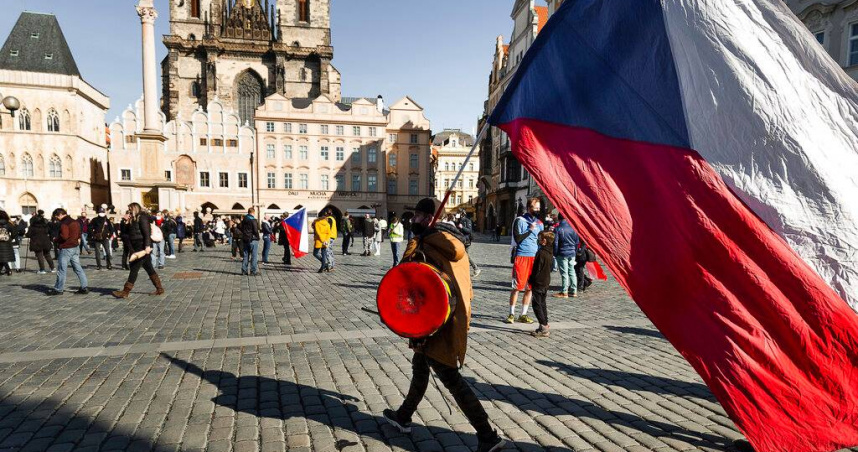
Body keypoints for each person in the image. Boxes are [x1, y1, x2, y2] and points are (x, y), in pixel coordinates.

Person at [382, 198, 505, 452]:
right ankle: (404, 415)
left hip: (436, 321)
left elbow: (406, 275)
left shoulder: (428, 242)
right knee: (420, 367)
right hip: (449, 317)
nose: (413, 220)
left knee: (451, 379)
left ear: (429, 218)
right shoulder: (453, 239)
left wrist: (415, 242)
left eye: (417, 215)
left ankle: (487, 435)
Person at [112, 203, 164, 298]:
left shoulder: (142, 217)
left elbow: (146, 232)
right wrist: (125, 221)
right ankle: (159, 289)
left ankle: (125, 291)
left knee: (134, 268)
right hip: (136, 245)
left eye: (130, 209)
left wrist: (147, 246)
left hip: (142, 245)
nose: (129, 211)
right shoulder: (133, 218)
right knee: (149, 268)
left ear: (134, 208)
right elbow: (125, 233)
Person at [507, 198, 544, 324]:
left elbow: (540, 242)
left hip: (534, 257)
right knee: (517, 287)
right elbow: (518, 239)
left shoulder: (540, 223)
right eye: (535, 208)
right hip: (522, 256)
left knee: (530, 288)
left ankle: (523, 314)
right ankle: (511, 314)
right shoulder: (520, 220)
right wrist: (530, 230)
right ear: (529, 208)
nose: (537, 210)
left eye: (539, 208)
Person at [47, 208, 89, 296]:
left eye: (56, 216)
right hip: (75, 247)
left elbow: (64, 236)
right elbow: (79, 233)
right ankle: (84, 287)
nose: (57, 219)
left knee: (62, 269)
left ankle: (59, 289)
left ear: (60, 215)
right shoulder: (75, 221)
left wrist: (56, 239)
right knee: (78, 268)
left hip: (66, 248)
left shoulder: (64, 223)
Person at [529, 231, 556, 338]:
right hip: (546, 280)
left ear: (544, 241)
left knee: (537, 304)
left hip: (539, 281)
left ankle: (544, 327)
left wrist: (531, 280)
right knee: (542, 303)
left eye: (539, 238)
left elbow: (536, 269)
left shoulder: (541, 252)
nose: (538, 240)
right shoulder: (550, 251)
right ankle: (544, 324)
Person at [553, 214, 580, 298]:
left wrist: (555, 253)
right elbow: (577, 242)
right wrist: (574, 252)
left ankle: (564, 291)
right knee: (572, 271)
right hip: (572, 252)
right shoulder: (573, 228)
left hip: (562, 252)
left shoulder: (558, 229)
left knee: (564, 273)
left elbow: (556, 243)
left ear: (559, 219)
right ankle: (574, 291)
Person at [456, 211, 481, 278]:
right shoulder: (459, 221)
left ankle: (476, 268)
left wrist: (462, 227)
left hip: (466, 240)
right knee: (462, 255)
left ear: (462, 214)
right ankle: (463, 270)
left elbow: (469, 231)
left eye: (459, 213)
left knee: (465, 255)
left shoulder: (467, 220)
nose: (458, 215)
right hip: (461, 240)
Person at [240, 208, 261, 276]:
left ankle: (244, 270)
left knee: (246, 255)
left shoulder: (244, 219)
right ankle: (253, 271)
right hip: (252, 239)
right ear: (253, 212)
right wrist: (258, 237)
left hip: (245, 239)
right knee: (254, 256)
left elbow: (241, 228)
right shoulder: (253, 220)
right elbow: (255, 230)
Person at [0, 211, 16, 276]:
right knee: (3, 257)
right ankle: (8, 270)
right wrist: (10, 238)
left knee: (1, 257)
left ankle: (8, 270)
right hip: (7, 243)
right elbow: (14, 233)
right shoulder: (9, 223)